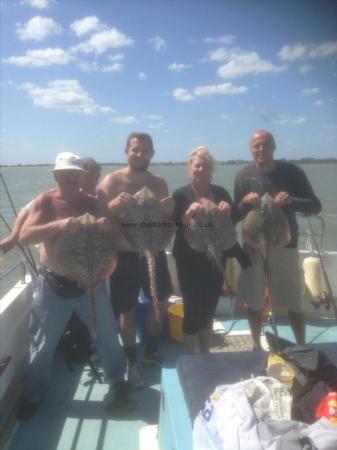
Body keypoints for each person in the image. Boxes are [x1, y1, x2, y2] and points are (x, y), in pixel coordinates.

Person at [17, 152, 135, 420]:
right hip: (54, 286)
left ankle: (118, 382)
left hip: (90, 284)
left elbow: (111, 232)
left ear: (82, 176)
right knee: (43, 343)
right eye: (65, 174)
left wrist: (106, 225)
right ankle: (33, 393)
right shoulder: (45, 201)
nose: (71, 178)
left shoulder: (91, 202)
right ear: (56, 176)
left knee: (107, 334)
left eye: (75, 173)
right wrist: (58, 225)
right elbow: (24, 236)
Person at [98, 132, 173, 387]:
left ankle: (151, 348)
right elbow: (99, 218)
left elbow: (167, 221)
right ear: (126, 151)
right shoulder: (111, 181)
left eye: (145, 150)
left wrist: (168, 211)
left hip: (154, 250)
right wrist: (113, 205)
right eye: (135, 150)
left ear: (152, 153)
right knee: (126, 309)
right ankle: (131, 361)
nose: (140, 155)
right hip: (126, 255)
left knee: (159, 300)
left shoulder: (159, 182)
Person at [234, 130, 322, 349]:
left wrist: (291, 201)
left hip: (285, 244)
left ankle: (301, 345)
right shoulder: (243, 175)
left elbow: (315, 205)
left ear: (274, 146)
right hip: (254, 245)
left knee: (294, 300)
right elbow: (235, 215)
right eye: (256, 146)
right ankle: (256, 344)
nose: (261, 150)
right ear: (250, 149)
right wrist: (244, 203)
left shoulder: (292, 171)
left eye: (265, 145)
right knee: (254, 301)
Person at [172, 146, 251, 354]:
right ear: (189, 168)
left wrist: (228, 210)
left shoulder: (220, 192)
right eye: (197, 165)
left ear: (211, 170)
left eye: (205, 166)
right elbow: (176, 227)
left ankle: (206, 355)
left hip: (216, 256)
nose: (200, 169)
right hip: (189, 259)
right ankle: (191, 358)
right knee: (192, 308)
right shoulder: (180, 195)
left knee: (208, 308)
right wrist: (188, 213)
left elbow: (231, 224)